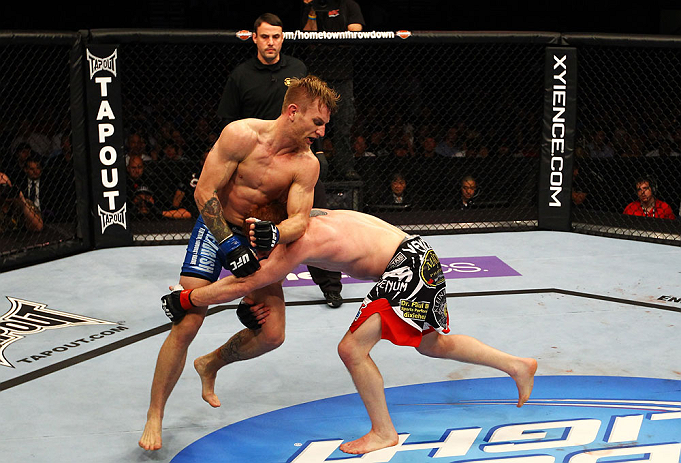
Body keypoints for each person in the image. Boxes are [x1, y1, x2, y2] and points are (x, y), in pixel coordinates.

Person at [161, 203, 537, 455]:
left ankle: (383, 432)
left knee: (351, 349)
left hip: (404, 267)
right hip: (419, 255)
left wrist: (185, 300)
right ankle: (517, 365)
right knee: (432, 343)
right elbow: (256, 277)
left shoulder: (297, 243)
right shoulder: (312, 215)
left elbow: (245, 281)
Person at [138, 75, 338, 451]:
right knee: (187, 322)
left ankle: (211, 362)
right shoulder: (241, 135)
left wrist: (275, 233)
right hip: (215, 228)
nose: (322, 132)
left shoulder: (307, 165)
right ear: (293, 112)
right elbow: (203, 192)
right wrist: (228, 243)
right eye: (317, 122)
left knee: (273, 334)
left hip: (257, 236)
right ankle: (155, 414)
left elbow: (301, 220)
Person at [218, 12, 344, 308]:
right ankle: (234, 278)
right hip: (257, 156)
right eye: (265, 36)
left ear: (282, 38)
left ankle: (330, 285)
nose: (271, 42)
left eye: (276, 36)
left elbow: (315, 113)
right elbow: (227, 119)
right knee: (238, 210)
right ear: (255, 39)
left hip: (297, 160)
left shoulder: (297, 68)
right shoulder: (241, 76)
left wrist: (320, 150)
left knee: (313, 218)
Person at [301, 0, 365, 180]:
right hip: (317, 76)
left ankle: (345, 167)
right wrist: (312, 10)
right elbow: (308, 37)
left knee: (343, 125)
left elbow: (355, 32)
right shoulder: (313, 5)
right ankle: (312, 164)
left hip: (343, 74)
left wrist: (328, 42)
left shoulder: (349, 4)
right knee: (312, 123)